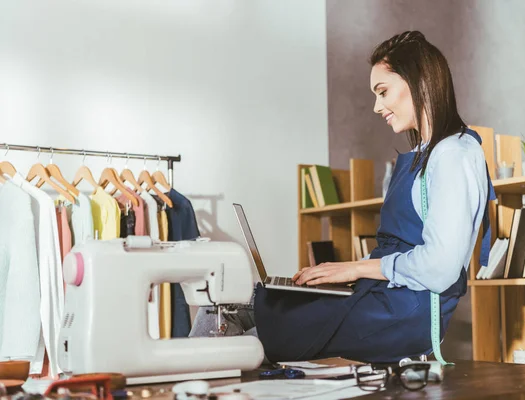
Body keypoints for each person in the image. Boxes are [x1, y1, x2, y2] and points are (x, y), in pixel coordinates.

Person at [190, 31, 495, 364]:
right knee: (226, 301)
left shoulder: (454, 154)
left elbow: (440, 268)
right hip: (387, 296)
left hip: (406, 312)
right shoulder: (429, 152)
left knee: (246, 341)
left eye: (383, 92)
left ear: (419, 82)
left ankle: (188, 382)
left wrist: (355, 269)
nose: (377, 107)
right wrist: (353, 271)